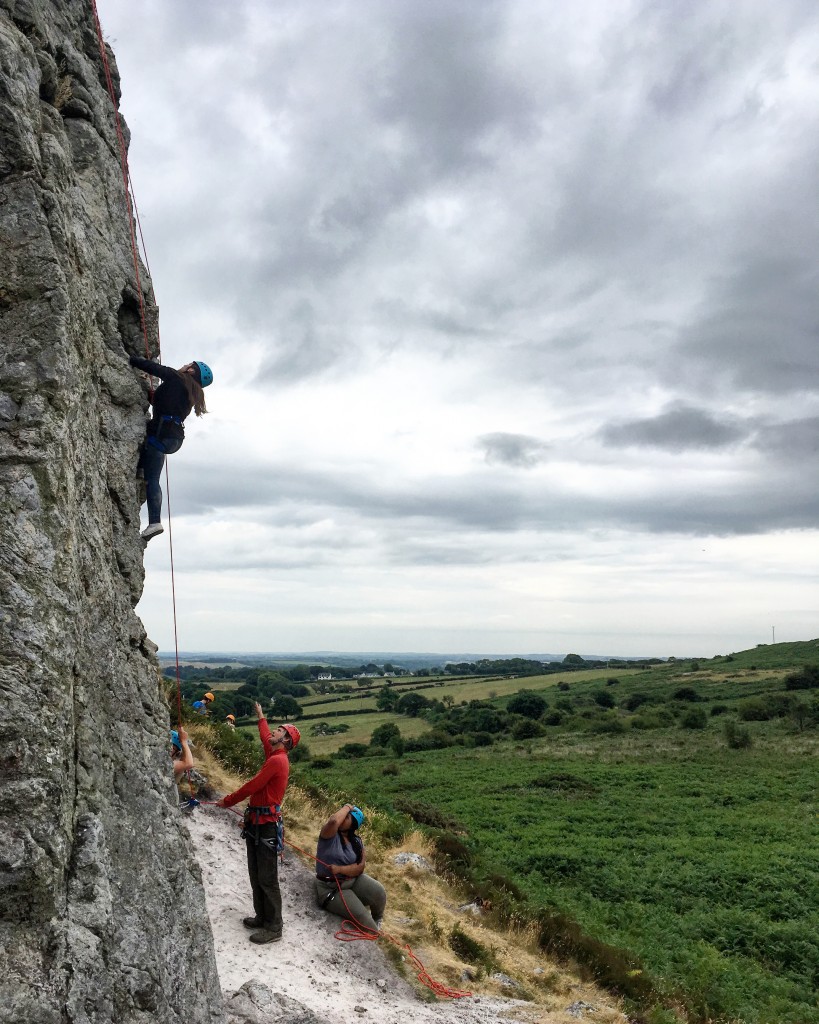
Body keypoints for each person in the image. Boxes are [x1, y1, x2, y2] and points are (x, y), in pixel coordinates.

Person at [216, 702, 301, 944]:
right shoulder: (275, 754)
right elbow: (265, 737)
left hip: (266, 824)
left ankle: (275, 927)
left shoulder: (277, 761)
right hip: (257, 821)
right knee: (256, 873)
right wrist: (261, 716)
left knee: (267, 876)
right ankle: (262, 916)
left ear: (284, 740)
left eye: (278, 730)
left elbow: (252, 786)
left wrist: (228, 801)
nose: (273, 731)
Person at [129, 355, 213, 541]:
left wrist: (129, 358)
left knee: (151, 477)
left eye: (188, 364)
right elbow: (168, 404)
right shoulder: (192, 393)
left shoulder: (177, 377)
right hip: (173, 439)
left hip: (160, 435)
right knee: (151, 475)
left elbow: (151, 367)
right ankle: (153, 519)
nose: (184, 365)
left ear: (191, 370)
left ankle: (154, 521)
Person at [314, 803, 386, 933]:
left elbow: (360, 868)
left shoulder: (357, 842)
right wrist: (347, 807)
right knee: (364, 919)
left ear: (353, 824)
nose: (342, 818)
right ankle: (375, 932)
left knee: (379, 892)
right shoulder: (329, 834)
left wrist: (340, 869)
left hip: (351, 880)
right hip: (330, 887)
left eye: (347, 817)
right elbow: (334, 820)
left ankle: (378, 919)